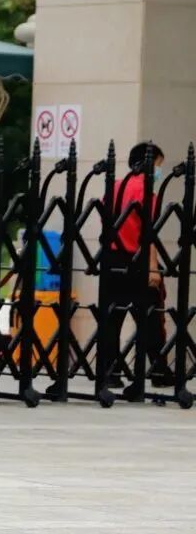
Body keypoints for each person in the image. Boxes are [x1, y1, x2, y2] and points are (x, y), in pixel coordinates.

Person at [102, 141, 170, 388]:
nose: (159, 171)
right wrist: (153, 268)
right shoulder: (146, 191)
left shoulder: (115, 187)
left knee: (112, 317)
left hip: (112, 258)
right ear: (149, 163)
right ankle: (158, 370)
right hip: (137, 260)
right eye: (159, 165)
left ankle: (109, 372)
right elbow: (148, 235)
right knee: (150, 317)